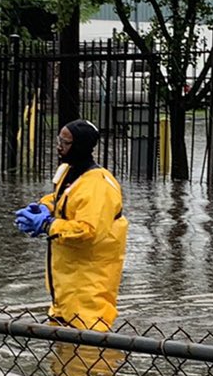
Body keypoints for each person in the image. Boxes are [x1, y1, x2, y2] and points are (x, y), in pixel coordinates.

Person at [14, 119, 128, 332]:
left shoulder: (99, 186)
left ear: (79, 147)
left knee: (89, 349)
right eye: (59, 140)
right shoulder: (69, 171)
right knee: (62, 350)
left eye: (65, 143)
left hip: (88, 288)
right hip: (67, 285)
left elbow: (88, 229)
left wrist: (49, 225)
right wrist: (44, 207)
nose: (59, 146)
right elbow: (63, 198)